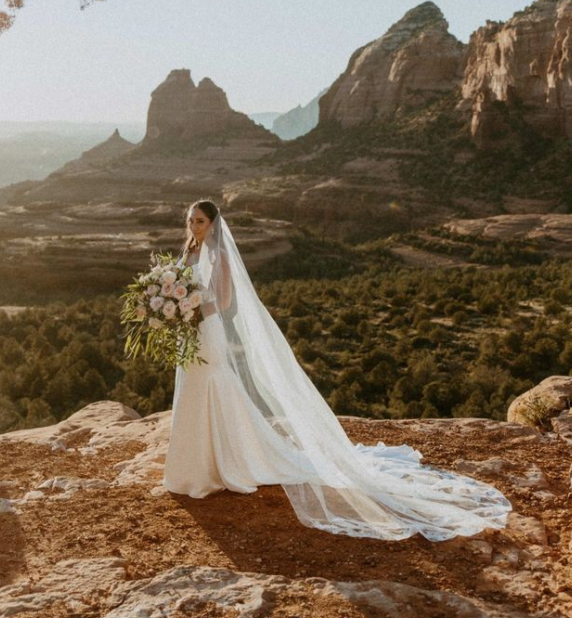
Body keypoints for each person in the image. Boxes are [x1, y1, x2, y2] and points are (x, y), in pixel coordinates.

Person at [163, 200, 511, 541]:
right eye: (191, 220)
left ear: (213, 224)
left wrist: (193, 303)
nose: (194, 227)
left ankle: (227, 460)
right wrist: (175, 305)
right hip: (188, 334)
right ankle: (193, 466)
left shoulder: (219, 256)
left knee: (215, 385)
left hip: (208, 331)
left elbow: (223, 303)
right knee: (192, 387)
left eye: (200, 221)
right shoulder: (189, 252)